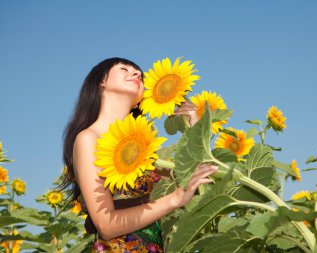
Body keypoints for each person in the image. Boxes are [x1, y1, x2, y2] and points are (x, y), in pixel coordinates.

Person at [61, 57, 218, 252]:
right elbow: (106, 225)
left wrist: (196, 127)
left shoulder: (143, 143)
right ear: (101, 81)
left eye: (139, 75)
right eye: (124, 69)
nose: (136, 74)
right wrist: (175, 199)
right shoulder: (88, 138)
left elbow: (191, 181)